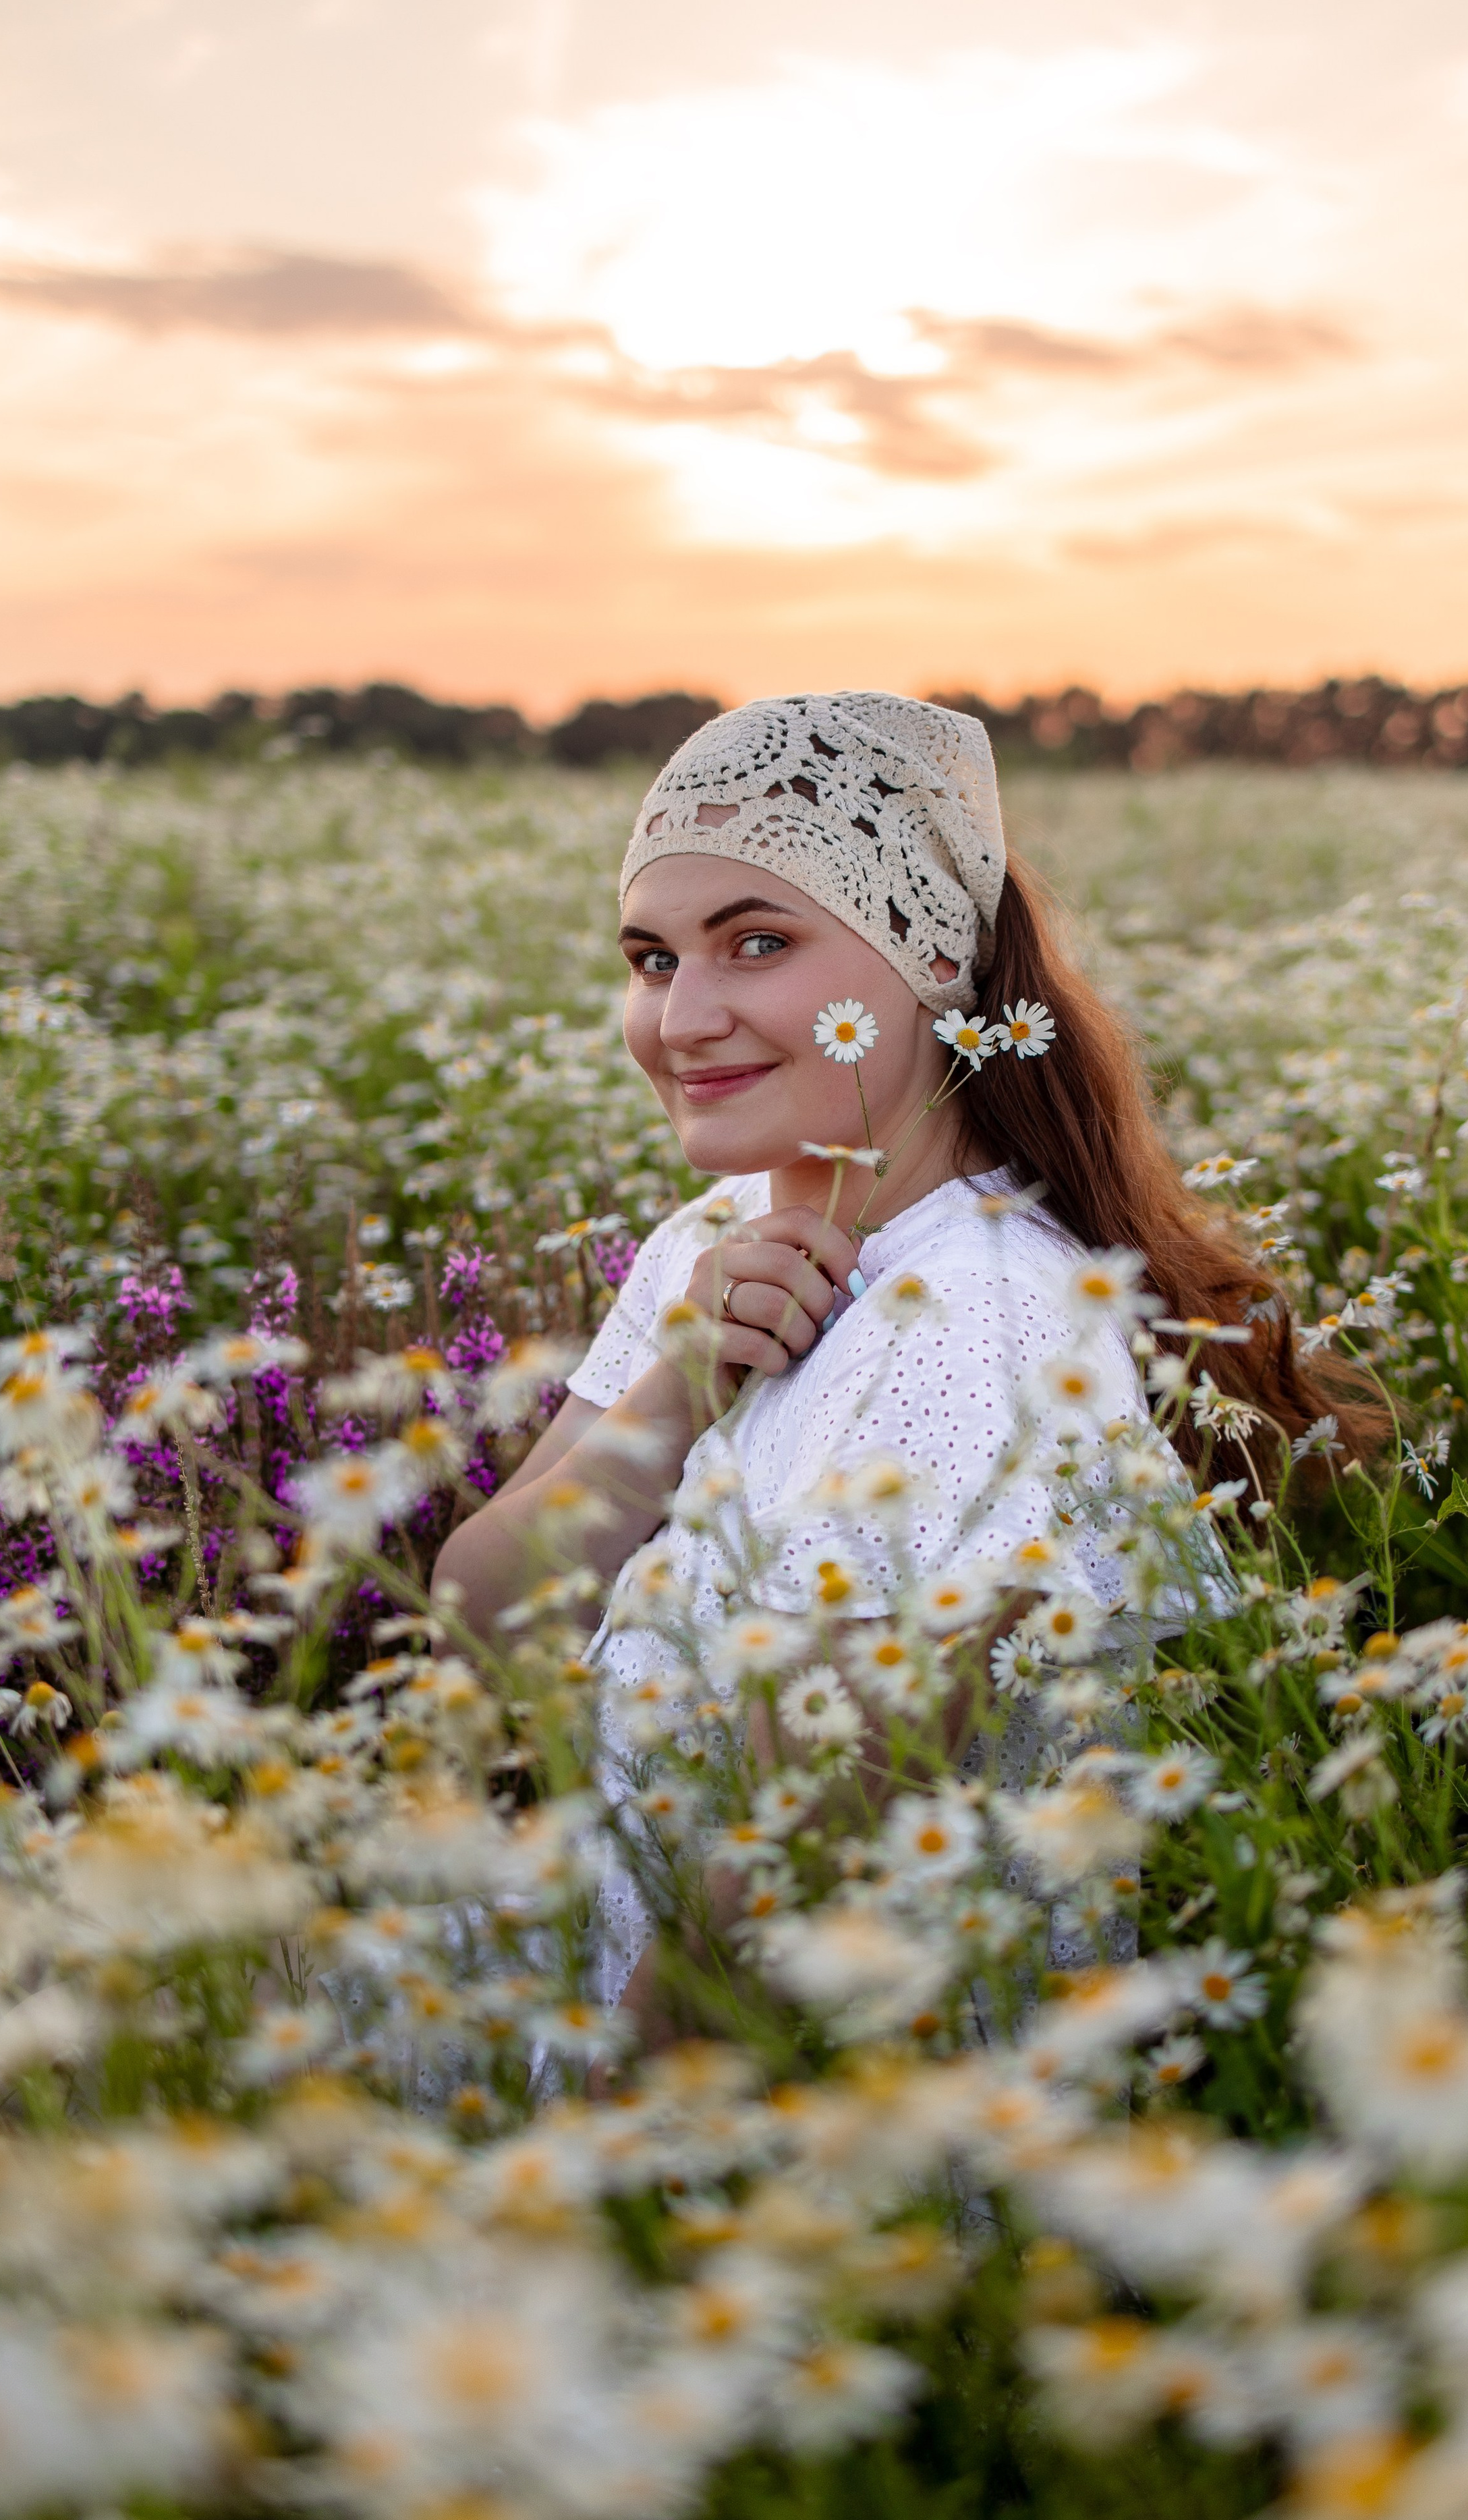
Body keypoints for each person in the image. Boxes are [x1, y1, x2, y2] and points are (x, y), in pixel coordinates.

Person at [432, 692, 1378, 1998]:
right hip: (573, 1964)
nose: (681, 1017)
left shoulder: (984, 1324)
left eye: (756, 943)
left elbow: (764, 1919)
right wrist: (685, 1382)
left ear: (933, 954)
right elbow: (480, 1626)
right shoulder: (706, 1240)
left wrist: (593, 2122)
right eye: (651, 959)